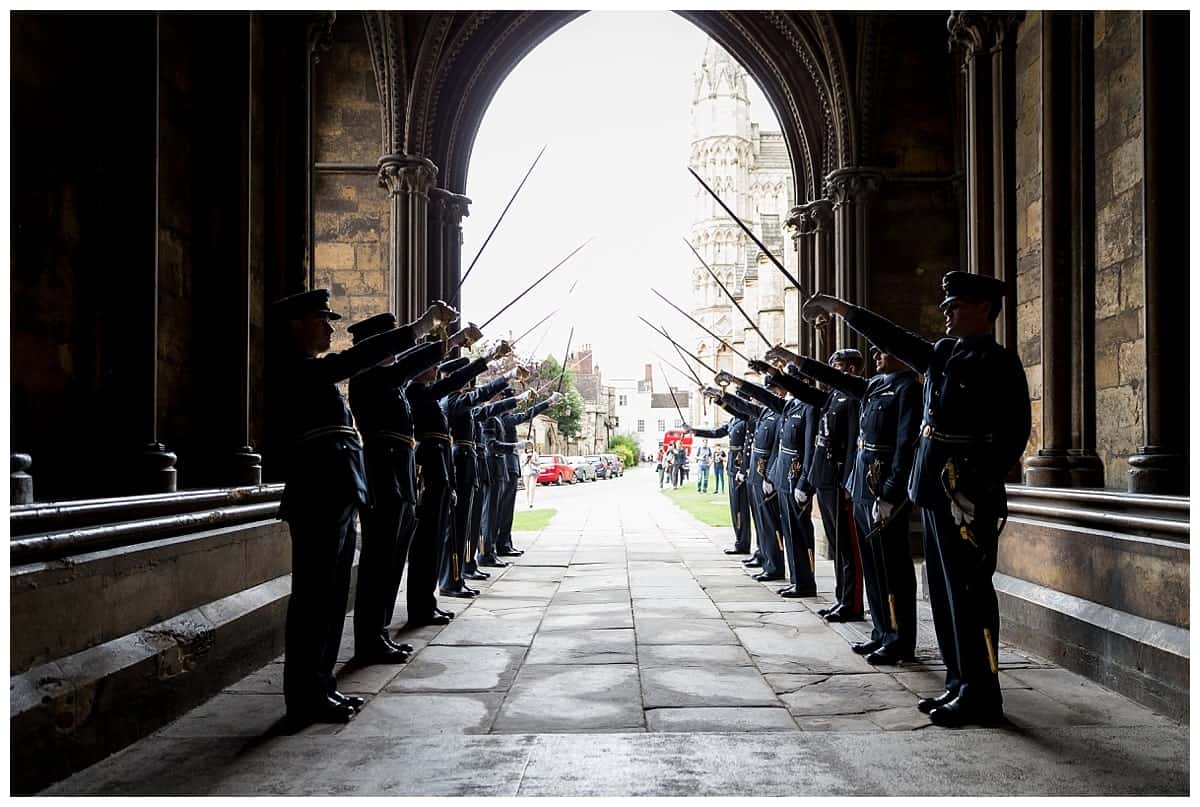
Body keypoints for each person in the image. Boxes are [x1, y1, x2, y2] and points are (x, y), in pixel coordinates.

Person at [803, 270, 1030, 727]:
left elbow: (1012, 436)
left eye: (956, 304)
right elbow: (896, 338)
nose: (946, 311)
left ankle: (984, 692)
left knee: (970, 594)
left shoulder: (999, 363)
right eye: (946, 305)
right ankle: (959, 681)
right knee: (944, 595)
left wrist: (974, 485)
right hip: (933, 493)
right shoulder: (944, 354)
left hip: (965, 498)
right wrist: (844, 311)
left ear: (984, 309)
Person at [271, 289, 443, 725]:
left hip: (338, 491)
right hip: (318, 493)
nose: (330, 328)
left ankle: (320, 687)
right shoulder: (295, 369)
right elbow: (357, 362)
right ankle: (305, 695)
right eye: (321, 320)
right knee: (314, 598)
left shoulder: (316, 374)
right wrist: (421, 329)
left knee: (329, 597)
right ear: (297, 325)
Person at [772, 343, 922, 664]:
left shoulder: (908, 389)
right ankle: (882, 632)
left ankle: (900, 639)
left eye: (881, 349)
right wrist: (794, 362)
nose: (876, 354)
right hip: (863, 489)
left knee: (892, 570)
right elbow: (831, 382)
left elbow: (905, 445)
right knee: (874, 567)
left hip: (883, 492)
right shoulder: (875, 386)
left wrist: (891, 493)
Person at [345, 305, 457, 669]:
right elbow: (409, 366)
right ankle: (370, 636)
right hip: (384, 475)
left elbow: (412, 369)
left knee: (391, 562)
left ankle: (378, 633)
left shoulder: (392, 382)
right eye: (386, 344)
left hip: (401, 476)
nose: (394, 353)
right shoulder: (368, 378)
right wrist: (438, 334)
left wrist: (445, 338)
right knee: (379, 563)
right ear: (371, 347)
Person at [403, 327, 502, 625]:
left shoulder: (432, 397)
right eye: (430, 365)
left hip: (442, 471)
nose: (435, 371)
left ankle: (427, 602)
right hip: (430, 472)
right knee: (427, 545)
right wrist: (488, 359)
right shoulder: (419, 392)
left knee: (434, 543)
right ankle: (424, 604)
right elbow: (458, 386)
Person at [440, 352, 522, 599]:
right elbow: (482, 400)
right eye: (467, 381)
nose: (470, 386)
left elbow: (488, 408)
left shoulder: (465, 406)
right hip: (460, 463)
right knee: (458, 526)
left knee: (469, 523)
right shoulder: (452, 401)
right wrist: (505, 378)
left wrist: (517, 398)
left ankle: (462, 571)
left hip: (470, 466)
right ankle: (452, 578)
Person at [793, 349, 865, 623]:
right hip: (824, 478)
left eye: (837, 365)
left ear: (851, 369)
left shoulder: (854, 397)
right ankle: (840, 598)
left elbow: (852, 444)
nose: (833, 370)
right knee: (837, 545)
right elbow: (806, 395)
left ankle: (852, 603)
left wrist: (849, 480)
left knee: (849, 548)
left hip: (839, 481)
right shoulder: (833, 396)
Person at [716, 369, 786, 582]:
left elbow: (778, 447)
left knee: (771, 525)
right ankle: (766, 559)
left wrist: (769, 477)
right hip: (755, 474)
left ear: (779, 393)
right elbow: (743, 410)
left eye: (769, 391)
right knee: (762, 523)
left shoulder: (780, 412)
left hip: (769, 477)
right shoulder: (765, 413)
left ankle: (775, 565)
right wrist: (721, 398)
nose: (759, 397)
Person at [492, 392, 560, 556]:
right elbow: (527, 414)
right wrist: (548, 401)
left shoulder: (502, 417)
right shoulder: (504, 418)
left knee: (506, 510)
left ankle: (505, 542)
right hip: (507, 466)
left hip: (510, 466)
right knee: (504, 510)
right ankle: (502, 544)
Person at [521, 442, 540, 508]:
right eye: (528, 447)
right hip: (525, 473)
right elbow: (521, 465)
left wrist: (532, 461)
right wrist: (526, 461)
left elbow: (538, 463)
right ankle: (528, 501)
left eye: (530, 447)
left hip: (533, 472)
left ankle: (531, 502)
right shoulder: (523, 455)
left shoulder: (535, 454)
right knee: (527, 489)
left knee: (532, 488)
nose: (529, 448)